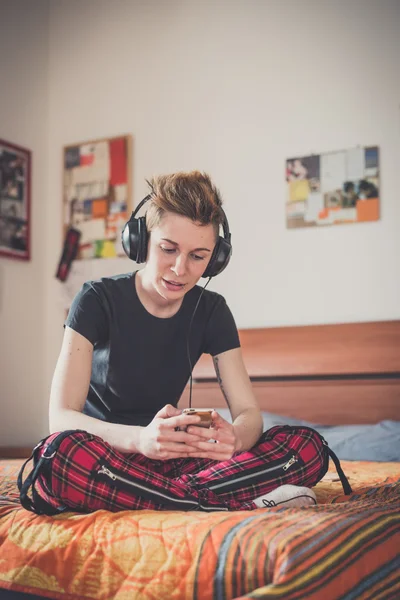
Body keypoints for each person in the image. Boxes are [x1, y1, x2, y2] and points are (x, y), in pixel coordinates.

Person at [33, 171, 323, 514]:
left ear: (216, 259)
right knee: (57, 456)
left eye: (199, 256)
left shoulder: (213, 311)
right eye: (168, 249)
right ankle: (232, 504)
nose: (180, 269)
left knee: (308, 446)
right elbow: (61, 417)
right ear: (141, 242)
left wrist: (234, 438)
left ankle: (168, 499)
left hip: (175, 463)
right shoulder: (95, 300)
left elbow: (249, 413)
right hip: (107, 458)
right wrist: (141, 440)